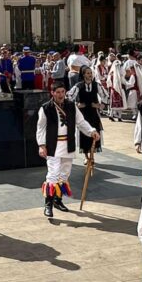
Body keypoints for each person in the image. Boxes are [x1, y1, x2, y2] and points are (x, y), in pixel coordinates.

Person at [36, 81, 100, 218]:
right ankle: (48, 203)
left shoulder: (71, 106)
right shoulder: (45, 108)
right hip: (53, 145)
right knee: (53, 174)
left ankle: (58, 200)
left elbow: (81, 122)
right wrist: (42, 145)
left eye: (62, 92)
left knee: (64, 174)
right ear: (52, 93)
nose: (60, 95)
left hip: (68, 144)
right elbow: (40, 128)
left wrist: (91, 131)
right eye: (57, 92)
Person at [68, 66, 105, 163]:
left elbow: (105, 96)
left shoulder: (96, 85)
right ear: (83, 74)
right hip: (83, 114)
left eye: (91, 73)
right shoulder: (78, 86)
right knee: (84, 133)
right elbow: (69, 97)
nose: (90, 75)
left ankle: (92, 156)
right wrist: (77, 105)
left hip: (93, 113)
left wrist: (99, 105)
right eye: (88, 73)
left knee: (94, 133)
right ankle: (86, 156)